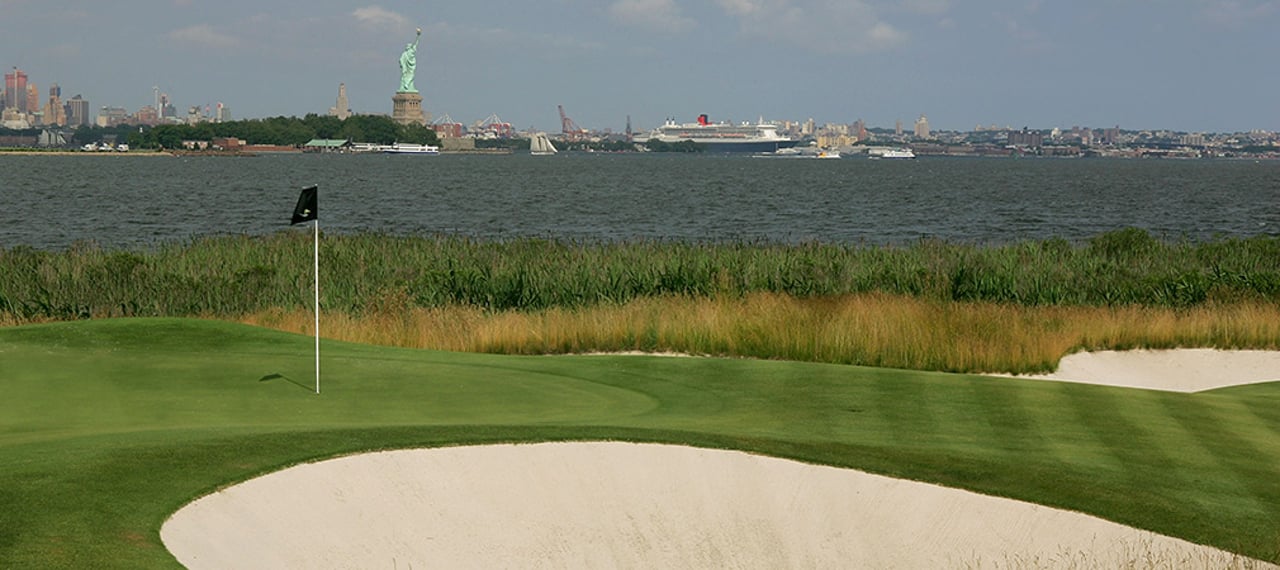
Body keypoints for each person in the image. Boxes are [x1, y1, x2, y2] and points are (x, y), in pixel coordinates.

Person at [398, 28, 422, 93]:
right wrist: (418, 36)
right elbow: (415, 43)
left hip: (409, 67)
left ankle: (407, 85)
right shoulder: (410, 52)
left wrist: (418, 36)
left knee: (406, 76)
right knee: (410, 75)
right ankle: (406, 85)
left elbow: (400, 60)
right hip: (409, 68)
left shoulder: (404, 54)